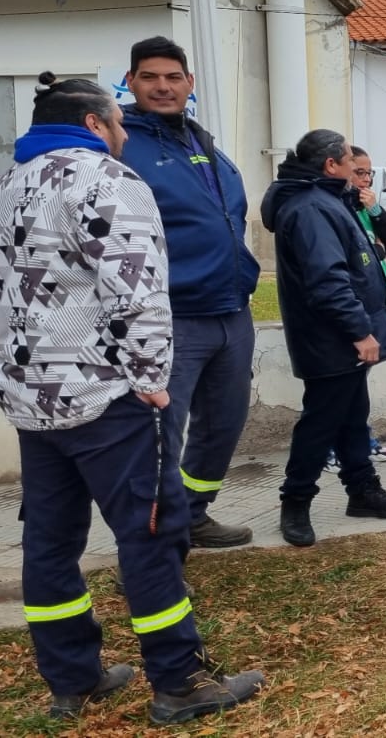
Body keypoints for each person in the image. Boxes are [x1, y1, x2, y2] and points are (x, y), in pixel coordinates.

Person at [0, 74, 264, 723]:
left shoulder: (11, 184)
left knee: (51, 542)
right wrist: (151, 383)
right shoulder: (110, 181)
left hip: (33, 398)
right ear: (95, 124)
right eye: (116, 122)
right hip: (109, 395)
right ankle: (177, 682)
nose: (123, 133)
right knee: (151, 534)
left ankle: (72, 678)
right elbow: (139, 291)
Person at [116, 36, 259, 549]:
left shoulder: (202, 143)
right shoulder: (122, 146)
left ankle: (193, 513)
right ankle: (156, 544)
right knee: (157, 437)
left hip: (231, 312)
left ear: (189, 83)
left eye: (173, 77)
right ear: (130, 82)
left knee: (223, 425)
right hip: (170, 317)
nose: (162, 86)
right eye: (150, 76)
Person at [261, 129, 386, 547]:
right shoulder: (311, 208)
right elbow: (327, 280)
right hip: (331, 338)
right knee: (322, 421)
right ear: (331, 165)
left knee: (352, 415)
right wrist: (360, 331)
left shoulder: (328, 200)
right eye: (351, 161)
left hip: (340, 337)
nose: (358, 171)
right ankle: (295, 501)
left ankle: (362, 490)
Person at [347, 146, 386, 462]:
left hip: (374, 304)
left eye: (369, 173)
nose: (366, 180)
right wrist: (377, 253)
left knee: (358, 383)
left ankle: (361, 439)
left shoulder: (365, 206)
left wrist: (377, 211)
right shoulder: (335, 209)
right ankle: (338, 447)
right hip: (349, 309)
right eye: (359, 173)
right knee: (344, 387)